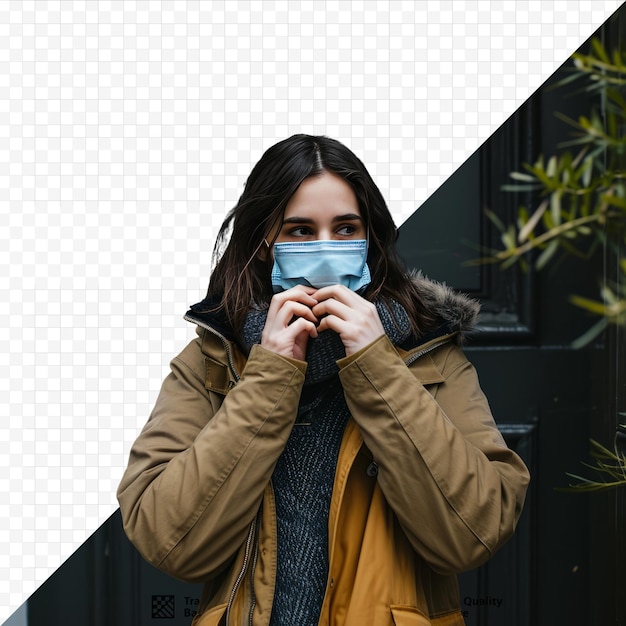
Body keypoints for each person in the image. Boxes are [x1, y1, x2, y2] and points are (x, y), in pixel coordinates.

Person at [117, 134, 530, 626]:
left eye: (345, 228)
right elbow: (168, 541)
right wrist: (270, 375)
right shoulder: (211, 360)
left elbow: (474, 533)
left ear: (370, 237)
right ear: (264, 240)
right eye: (299, 231)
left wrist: (376, 364)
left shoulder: (431, 357)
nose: (325, 249)